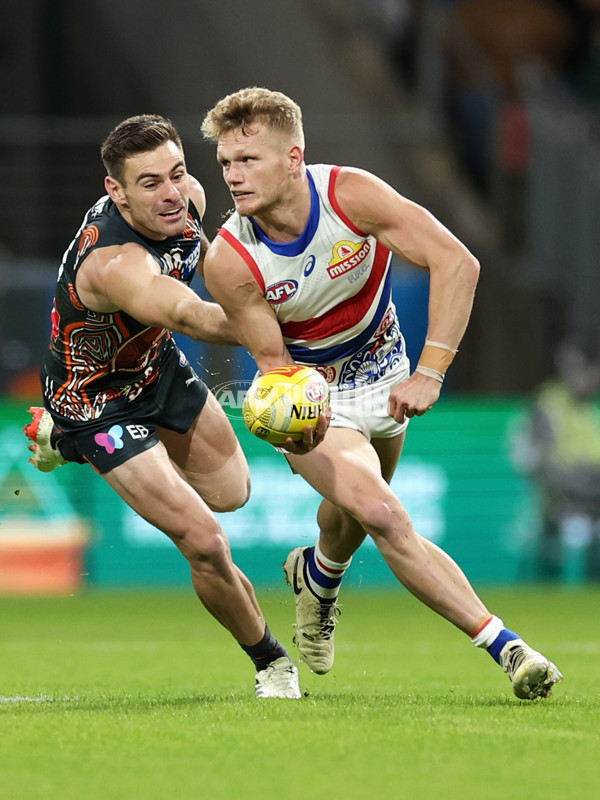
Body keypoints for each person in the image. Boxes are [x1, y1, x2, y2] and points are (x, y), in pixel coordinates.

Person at [200, 87, 563, 700]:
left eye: (249, 160)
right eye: (227, 164)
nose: (234, 177)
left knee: (352, 521)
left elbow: (457, 263)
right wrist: (295, 420)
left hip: (390, 376)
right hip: (318, 395)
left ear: (294, 158)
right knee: (384, 514)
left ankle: (317, 577)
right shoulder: (231, 259)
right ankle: (510, 650)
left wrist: (430, 372)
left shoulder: (349, 195)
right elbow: (275, 365)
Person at [23, 114, 301, 699]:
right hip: (94, 400)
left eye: (176, 173)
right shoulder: (115, 264)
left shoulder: (190, 200)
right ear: (115, 192)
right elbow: (190, 314)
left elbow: (205, 268)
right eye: (150, 183)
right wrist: (283, 331)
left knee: (232, 495)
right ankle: (271, 663)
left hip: (155, 369)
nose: (172, 193)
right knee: (203, 540)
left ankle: (65, 442)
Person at [512, 329, 600, 581]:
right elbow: (538, 458)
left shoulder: (589, 408)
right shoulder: (549, 402)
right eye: (588, 371)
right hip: (564, 491)